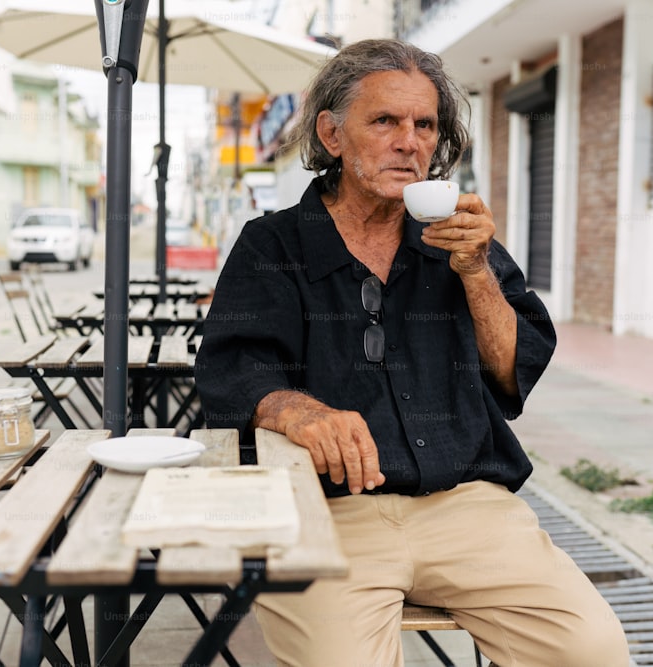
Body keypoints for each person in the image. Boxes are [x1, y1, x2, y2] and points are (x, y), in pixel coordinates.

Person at [194, 38, 630, 667]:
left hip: (468, 506)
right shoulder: (275, 244)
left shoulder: (457, 238)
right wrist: (297, 410)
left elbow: (512, 370)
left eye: (424, 124)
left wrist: (477, 271)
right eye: (385, 121)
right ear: (333, 134)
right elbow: (233, 369)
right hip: (325, 512)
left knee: (592, 650)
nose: (410, 141)